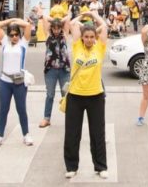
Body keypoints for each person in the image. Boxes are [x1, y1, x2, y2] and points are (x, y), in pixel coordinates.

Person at [64, 11, 109, 180]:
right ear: (82, 38)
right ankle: (71, 166)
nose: (89, 40)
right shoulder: (76, 45)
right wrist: (83, 16)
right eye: (87, 37)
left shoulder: (100, 47)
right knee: (72, 133)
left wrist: (93, 14)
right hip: (75, 96)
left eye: (92, 37)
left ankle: (101, 166)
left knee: (98, 133)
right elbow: (71, 24)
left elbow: (104, 26)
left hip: (96, 96)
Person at [0, 18, 33, 148]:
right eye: (11, 34)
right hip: (5, 81)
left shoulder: (23, 43)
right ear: (8, 35)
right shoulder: (4, 42)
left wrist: (16, 21)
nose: (14, 37)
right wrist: (10, 21)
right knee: (3, 109)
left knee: (21, 109)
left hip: (19, 82)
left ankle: (26, 134)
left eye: (16, 34)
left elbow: (27, 25)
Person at [39, 15, 71, 128]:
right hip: (50, 70)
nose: (56, 30)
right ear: (51, 28)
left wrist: (59, 21)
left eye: (58, 28)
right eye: (54, 28)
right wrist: (54, 21)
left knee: (66, 95)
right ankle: (46, 118)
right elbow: (44, 19)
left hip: (64, 70)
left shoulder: (65, 35)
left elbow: (68, 18)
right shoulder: (48, 35)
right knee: (50, 95)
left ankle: (70, 119)